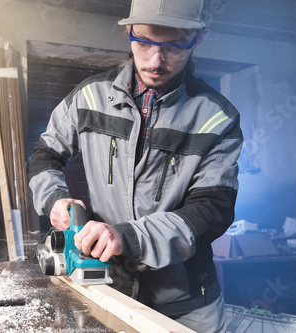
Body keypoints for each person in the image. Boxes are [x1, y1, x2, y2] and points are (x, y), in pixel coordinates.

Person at [29, 0, 243, 331]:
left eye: (174, 45)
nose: (156, 61)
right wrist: (55, 198)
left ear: (198, 38)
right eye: (143, 42)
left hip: (186, 305)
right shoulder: (89, 97)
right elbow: (46, 155)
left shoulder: (217, 119)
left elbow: (211, 211)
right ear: (129, 31)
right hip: (106, 290)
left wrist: (127, 236)